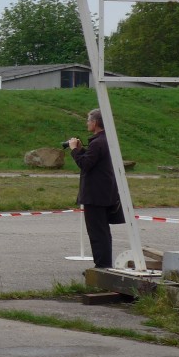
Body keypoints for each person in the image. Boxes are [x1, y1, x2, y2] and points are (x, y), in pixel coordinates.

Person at [69, 108, 120, 269]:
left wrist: (74, 150)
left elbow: (85, 165)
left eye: (88, 120)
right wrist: (82, 150)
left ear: (95, 123)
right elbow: (94, 160)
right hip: (105, 193)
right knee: (103, 231)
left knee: (97, 233)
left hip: (95, 195)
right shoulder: (106, 140)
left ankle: (102, 266)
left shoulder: (97, 142)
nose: (87, 123)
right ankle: (104, 264)